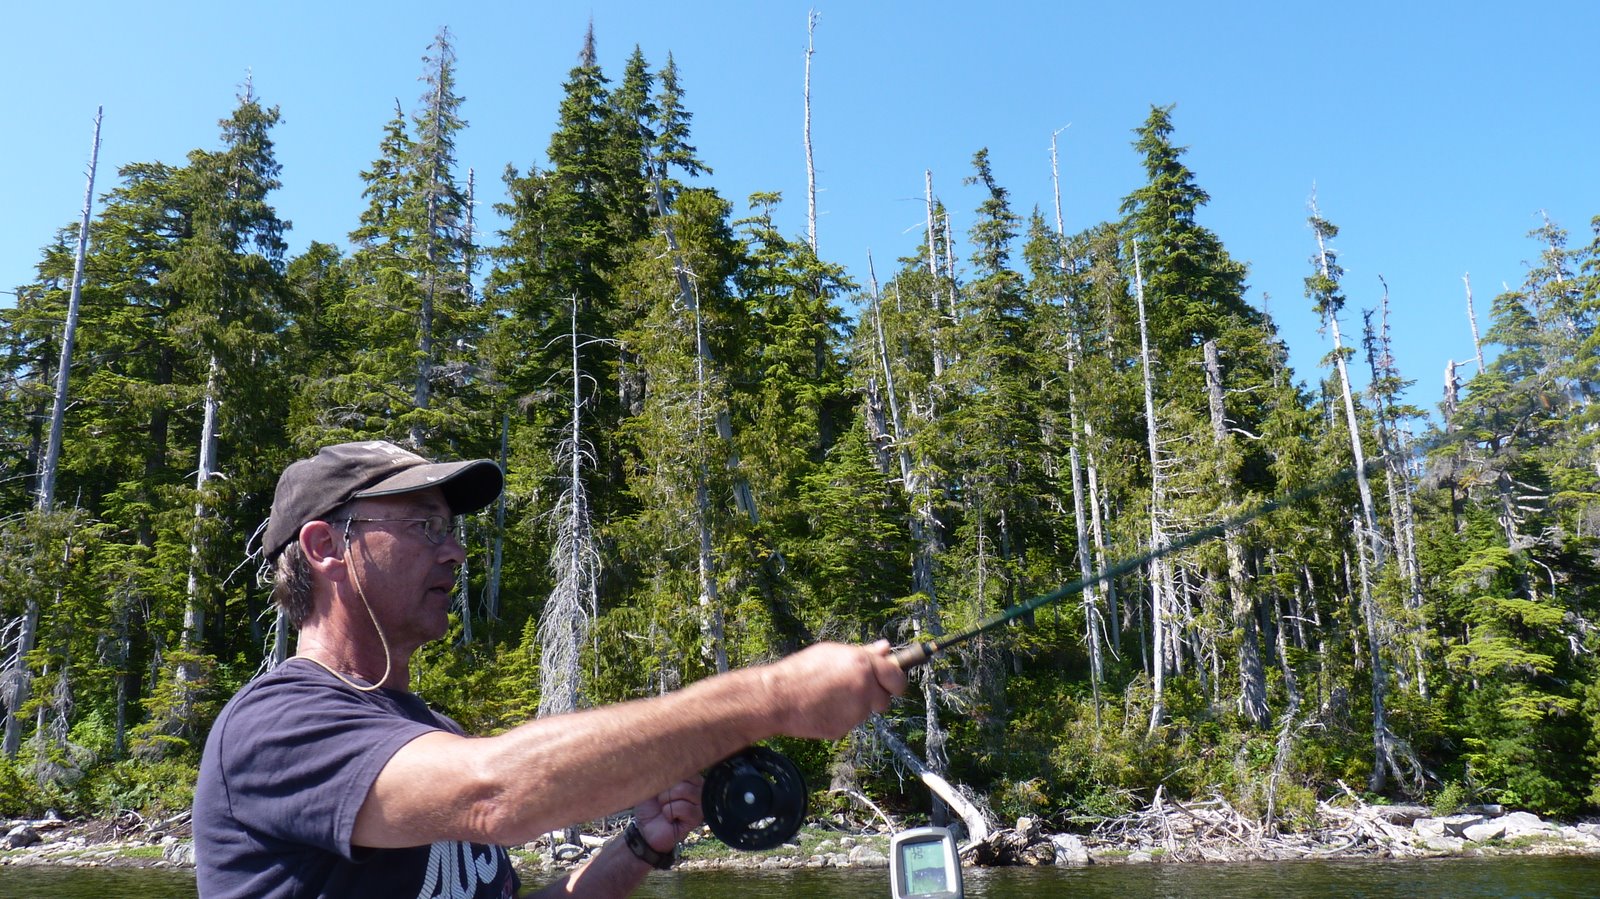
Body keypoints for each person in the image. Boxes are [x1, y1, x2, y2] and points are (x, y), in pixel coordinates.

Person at [193, 440, 907, 898]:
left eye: (454, 531)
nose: (454, 553)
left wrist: (641, 842)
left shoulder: (427, 730)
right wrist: (771, 696)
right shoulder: (273, 725)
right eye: (424, 526)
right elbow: (495, 793)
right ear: (325, 545)